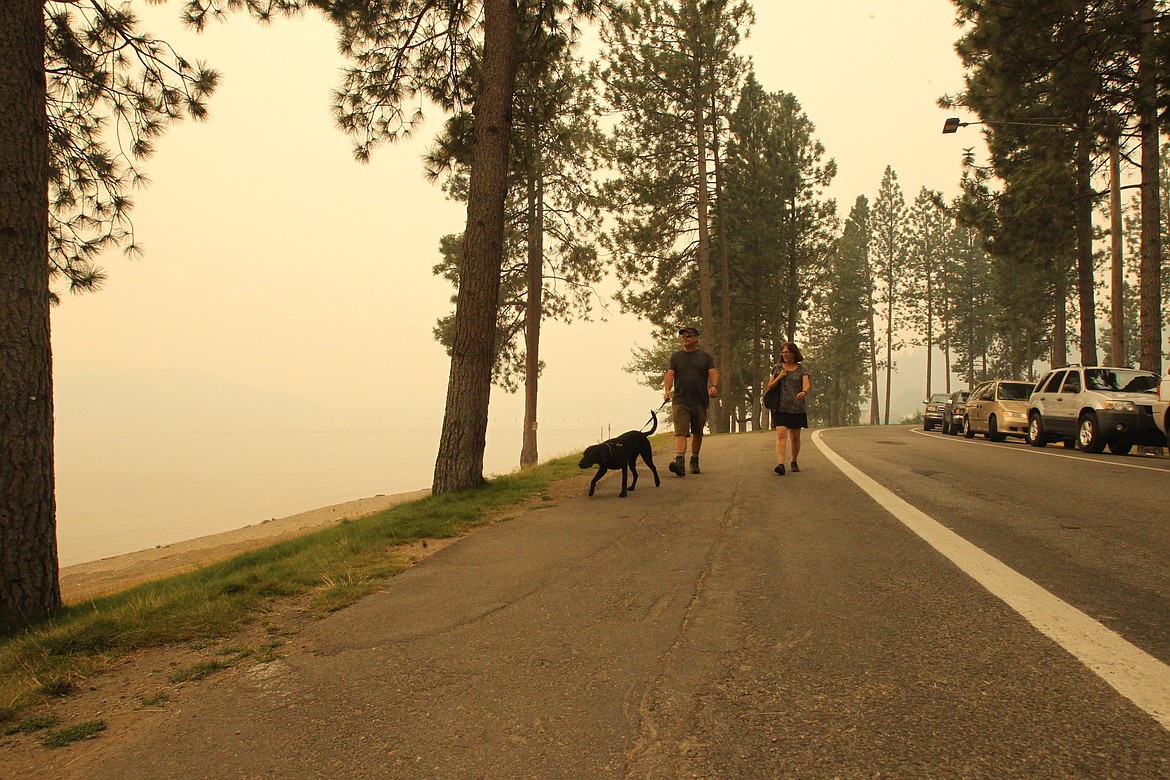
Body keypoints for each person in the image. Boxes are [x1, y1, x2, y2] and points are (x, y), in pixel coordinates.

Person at [663, 326, 718, 476]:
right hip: (680, 399)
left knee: (697, 431)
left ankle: (694, 460)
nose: (685, 338)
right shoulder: (676, 357)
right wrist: (667, 390)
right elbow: (670, 374)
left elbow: (713, 372)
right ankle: (680, 461)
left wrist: (714, 386)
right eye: (683, 336)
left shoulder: (704, 357)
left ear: (696, 338)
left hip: (700, 399)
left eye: (688, 336)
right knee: (681, 431)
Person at [765, 341, 810, 475]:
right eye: (783, 352)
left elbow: (806, 384)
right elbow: (770, 385)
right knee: (781, 434)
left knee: (795, 437)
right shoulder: (777, 368)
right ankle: (781, 464)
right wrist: (779, 377)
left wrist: (804, 392)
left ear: (794, 353)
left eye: (787, 352)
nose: (784, 355)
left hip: (797, 408)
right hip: (780, 407)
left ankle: (794, 460)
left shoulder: (802, 369)